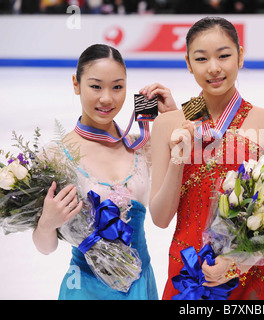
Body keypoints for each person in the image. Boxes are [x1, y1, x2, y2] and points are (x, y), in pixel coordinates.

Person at [148, 16, 264, 300]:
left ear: (240, 56)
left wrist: (236, 261)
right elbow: (160, 218)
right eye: (201, 59)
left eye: (224, 55)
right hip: (187, 271)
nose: (214, 68)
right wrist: (178, 161)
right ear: (188, 63)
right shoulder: (168, 125)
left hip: (250, 279)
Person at [32, 44, 177, 299]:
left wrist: (174, 117)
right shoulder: (54, 156)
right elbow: (44, 248)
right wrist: (46, 224)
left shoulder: (143, 147)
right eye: (96, 86)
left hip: (139, 285)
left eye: (117, 86)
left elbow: (207, 158)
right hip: (85, 288)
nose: (107, 98)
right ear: (76, 84)